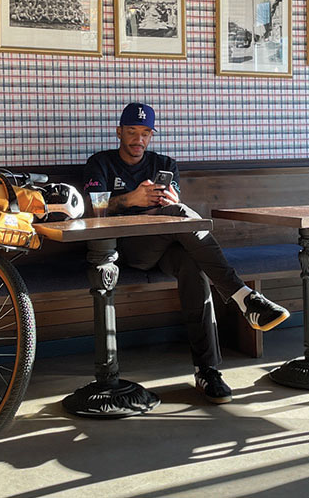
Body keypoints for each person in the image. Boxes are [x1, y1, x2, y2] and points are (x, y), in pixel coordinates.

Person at [83, 103, 290, 405]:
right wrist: (131, 198)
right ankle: (243, 297)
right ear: (119, 132)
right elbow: (94, 210)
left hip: (168, 245)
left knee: (193, 265)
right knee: (181, 215)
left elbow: (174, 209)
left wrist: (167, 201)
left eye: (145, 133)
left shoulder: (164, 163)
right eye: (131, 132)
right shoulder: (100, 163)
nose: (138, 139)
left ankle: (207, 370)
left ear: (151, 135)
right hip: (126, 248)